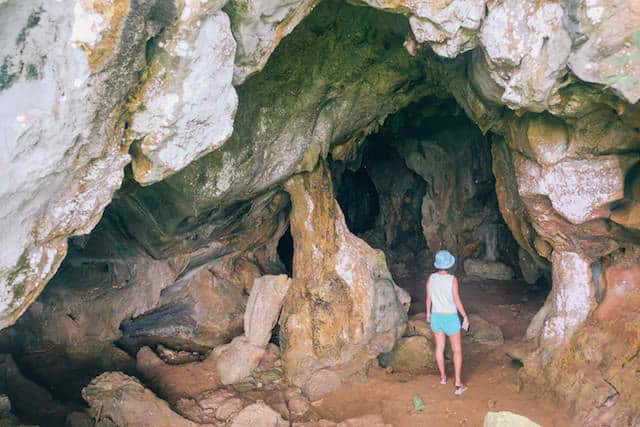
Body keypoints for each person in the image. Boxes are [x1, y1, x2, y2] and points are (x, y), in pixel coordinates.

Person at [425, 250, 469, 395]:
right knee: (457, 350)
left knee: (439, 347)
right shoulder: (452, 279)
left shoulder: (431, 278)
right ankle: (457, 383)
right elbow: (456, 300)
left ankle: (443, 377)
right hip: (450, 317)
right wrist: (464, 316)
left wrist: (428, 314)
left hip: (436, 317)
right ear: (449, 264)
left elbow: (429, 299)